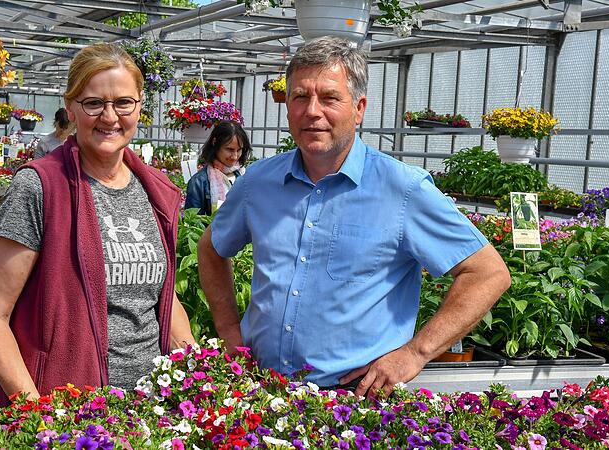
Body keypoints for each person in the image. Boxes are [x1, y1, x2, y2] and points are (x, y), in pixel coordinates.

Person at [197, 36, 510, 398]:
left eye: (329, 98)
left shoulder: (402, 189)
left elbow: (488, 272)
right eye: (300, 96)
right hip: (261, 392)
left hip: (352, 404)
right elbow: (211, 248)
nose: (312, 111)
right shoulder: (259, 183)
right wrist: (230, 333)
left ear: (358, 108)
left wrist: (415, 353)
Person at [0, 42, 195, 405]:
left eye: (123, 102)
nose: (110, 117)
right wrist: (37, 414)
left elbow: (162, 297)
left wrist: (198, 372)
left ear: (140, 105)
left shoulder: (157, 192)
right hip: (68, 411)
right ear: (71, 107)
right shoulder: (40, 187)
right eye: (94, 103)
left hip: (151, 410)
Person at [184, 121, 252, 215]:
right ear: (215, 143)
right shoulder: (199, 183)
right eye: (229, 149)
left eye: (239, 150)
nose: (235, 156)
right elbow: (193, 224)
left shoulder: (244, 175)